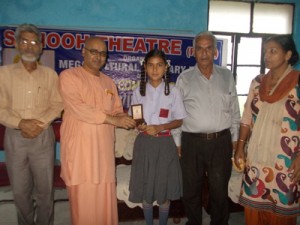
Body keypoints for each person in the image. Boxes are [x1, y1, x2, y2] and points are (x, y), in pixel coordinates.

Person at [58, 36, 136, 225]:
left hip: (103, 153)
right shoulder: (69, 76)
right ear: (83, 52)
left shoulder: (109, 83)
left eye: (102, 53)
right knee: (83, 205)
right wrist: (113, 119)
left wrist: (127, 118)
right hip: (80, 153)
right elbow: (79, 108)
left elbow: (116, 109)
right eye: (94, 51)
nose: (98, 56)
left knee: (104, 202)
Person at [0, 23, 63, 225]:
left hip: (43, 137)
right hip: (15, 138)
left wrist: (40, 124)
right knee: (20, 191)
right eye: (24, 41)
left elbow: (57, 104)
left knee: (45, 191)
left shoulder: (50, 75)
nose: (29, 46)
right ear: (16, 44)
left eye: (34, 42)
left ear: (41, 46)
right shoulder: (4, 74)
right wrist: (20, 122)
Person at [234, 35, 300, 225]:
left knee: (281, 212)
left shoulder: (298, 82)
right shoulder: (257, 82)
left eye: (273, 51)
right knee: (254, 207)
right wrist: (240, 148)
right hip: (256, 157)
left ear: (288, 55)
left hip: (287, 159)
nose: (267, 56)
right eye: (265, 52)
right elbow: (246, 118)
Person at [176, 31, 241, 225]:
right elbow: (176, 114)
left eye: (208, 48)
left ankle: (219, 222)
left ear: (215, 52)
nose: (204, 53)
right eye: (199, 48)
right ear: (193, 52)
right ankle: (194, 222)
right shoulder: (184, 78)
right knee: (190, 190)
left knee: (219, 189)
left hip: (220, 142)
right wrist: (177, 142)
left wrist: (236, 141)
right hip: (191, 143)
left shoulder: (226, 75)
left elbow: (234, 110)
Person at [128, 49, 186, 225]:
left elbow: (179, 120)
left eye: (159, 65)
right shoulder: (138, 91)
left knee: (163, 192)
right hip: (144, 144)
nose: (155, 69)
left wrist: (161, 126)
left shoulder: (173, 91)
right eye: (151, 65)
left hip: (165, 144)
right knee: (146, 192)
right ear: (145, 67)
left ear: (166, 68)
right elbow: (136, 118)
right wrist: (140, 125)